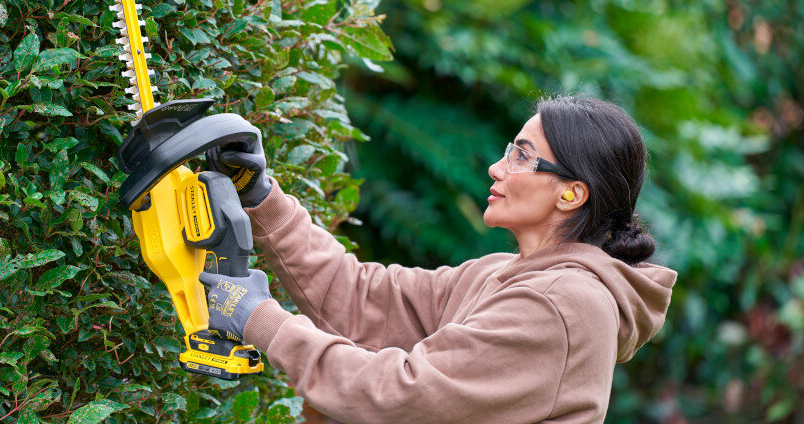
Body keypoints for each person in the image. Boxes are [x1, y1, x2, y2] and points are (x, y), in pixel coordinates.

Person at [200, 95, 677, 424]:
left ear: (572, 193)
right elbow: (363, 297)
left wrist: (262, 320)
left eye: (522, 157)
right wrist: (262, 197)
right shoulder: (500, 275)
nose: (497, 167)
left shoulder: (562, 306)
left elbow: (401, 395)